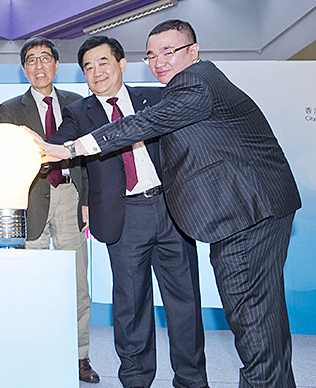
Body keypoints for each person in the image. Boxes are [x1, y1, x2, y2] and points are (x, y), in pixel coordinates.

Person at [39, 19, 301, 388]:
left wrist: (73, 149)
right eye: (152, 55)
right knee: (259, 319)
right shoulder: (84, 110)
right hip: (135, 216)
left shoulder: (182, 88)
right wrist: (41, 147)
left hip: (214, 214)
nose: (159, 61)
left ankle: (194, 380)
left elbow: (144, 124)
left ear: (193, 51)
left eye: (168, 51)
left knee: (241, 316)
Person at [46, 35, 207, 388]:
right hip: (124, 215)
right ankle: (136, 380)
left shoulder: (158, 98)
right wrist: (28, 146)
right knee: (131, 307)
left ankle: (192, 380)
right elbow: (58, 145)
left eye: (103, 62)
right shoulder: (79, 113)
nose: (96, 71)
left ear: (122, 64)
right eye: (88, 67)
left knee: (184, 301)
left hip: (172, 209)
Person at [0, 36, 100, 383]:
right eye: (31, 60)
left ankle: (80, 355)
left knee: (78, 284)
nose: (39, 65)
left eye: (45, 58)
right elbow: (9, 160)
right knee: (30, 284)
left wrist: (87, 200)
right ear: (24, 69)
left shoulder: (78, 103)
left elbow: (89, 157)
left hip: (71, 195)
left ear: (56, 64)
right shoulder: (10, 109)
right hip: (31, 198)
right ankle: (33, 353)